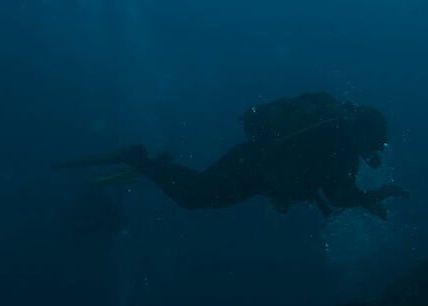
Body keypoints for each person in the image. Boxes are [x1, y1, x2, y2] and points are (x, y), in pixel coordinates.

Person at [62, 92, 407, 218]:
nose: (373, 154)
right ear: (364, 134)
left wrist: (368, 199)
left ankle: (154, 163)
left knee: (195, 193)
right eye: (375, 145)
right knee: (193, 195)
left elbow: (331, 188)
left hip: (255, 167)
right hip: (253, 168)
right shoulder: (340, 146)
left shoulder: (337, 139)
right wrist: (374, 197)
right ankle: (138, 159)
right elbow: (336, 192)